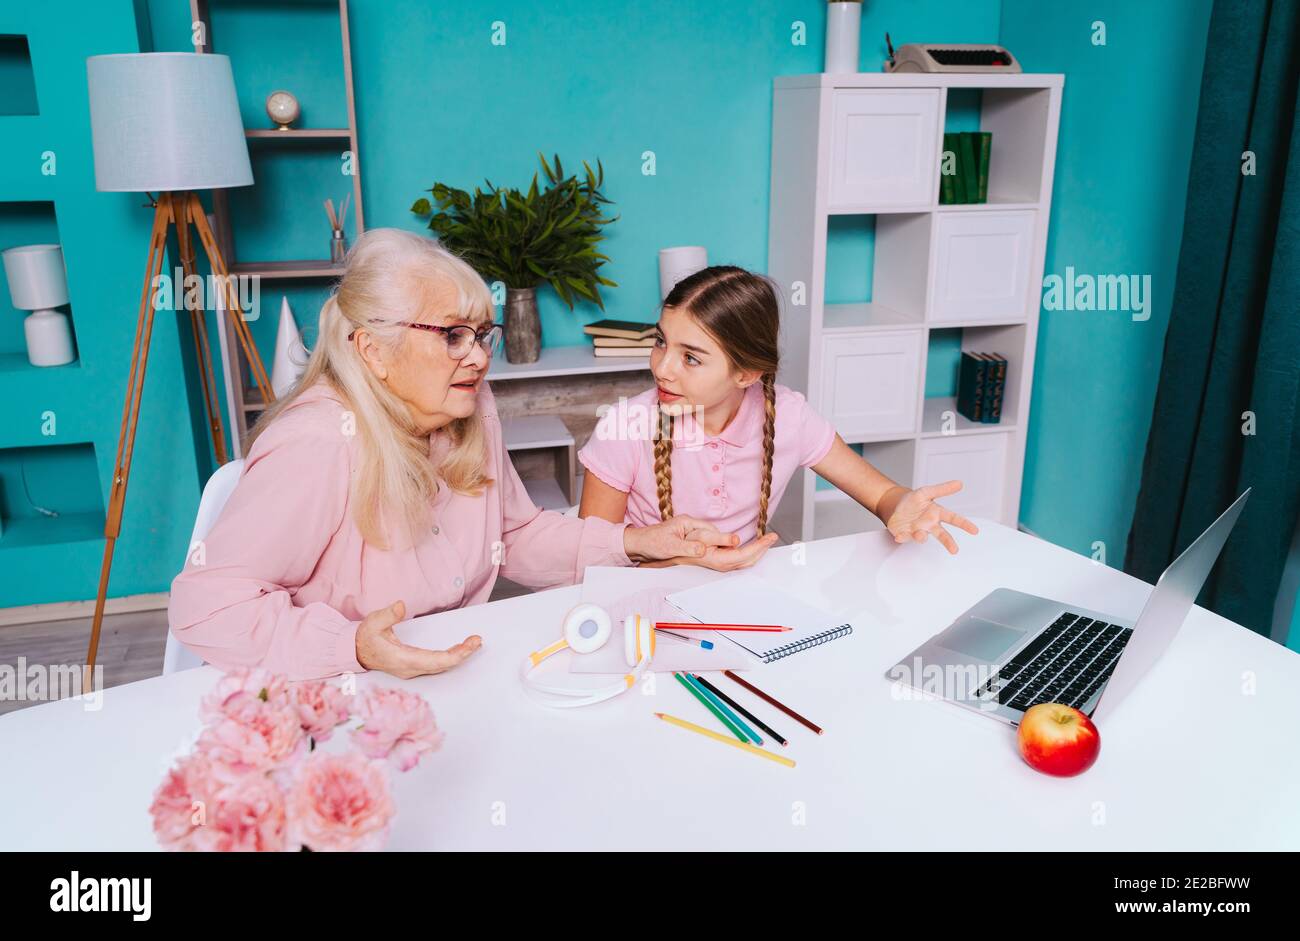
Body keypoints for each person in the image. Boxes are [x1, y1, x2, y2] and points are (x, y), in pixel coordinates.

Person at [168, 230, 740, 681]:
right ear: (373, 350)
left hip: (449, 671)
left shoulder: (465, 406)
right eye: (451, 336)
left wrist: (637, 542)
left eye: (481, 334)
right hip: (336, 688)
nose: (479, 358)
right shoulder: (318, 442)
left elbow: (512, 537)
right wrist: (353, 647)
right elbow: (207, 609)